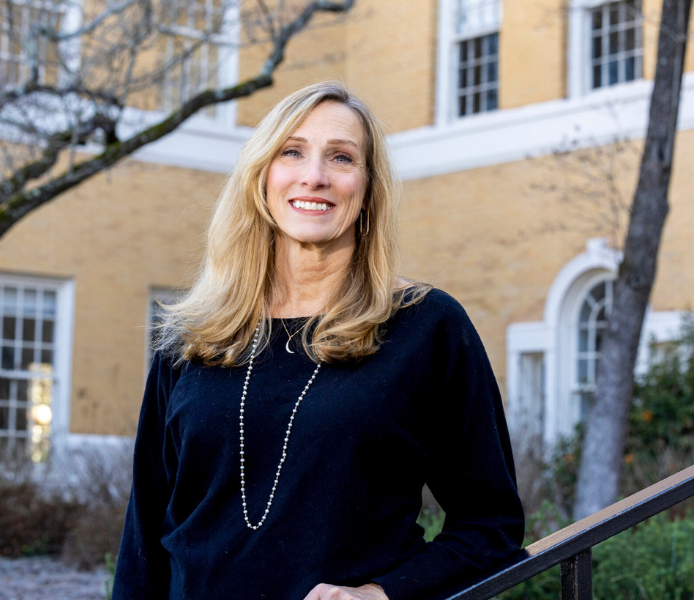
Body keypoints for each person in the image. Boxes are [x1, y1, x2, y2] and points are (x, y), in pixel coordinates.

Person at [112, 81, 525, 600]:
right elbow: (144, 540)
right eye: (292, 152)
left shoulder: (426, 326)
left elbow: (492, 527)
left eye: (341, 158)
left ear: (369, 187)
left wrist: (379, 595)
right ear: (261, 175)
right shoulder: (191, 335)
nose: (315, 176)